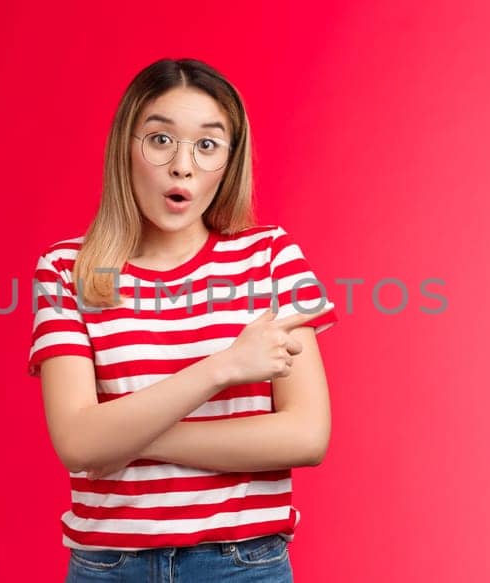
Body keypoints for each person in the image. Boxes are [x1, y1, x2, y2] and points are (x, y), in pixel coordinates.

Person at [26, 58, 340, 582]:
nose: (183, 166)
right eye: (160, 140)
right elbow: (78, 444)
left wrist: (128, 438)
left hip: (242, 565)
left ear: (228, 162)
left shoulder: (270, 258)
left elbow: (306, 435)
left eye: (207, 145)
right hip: (109, 568)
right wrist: (223, 367)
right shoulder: (66, 269)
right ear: (126, 146)